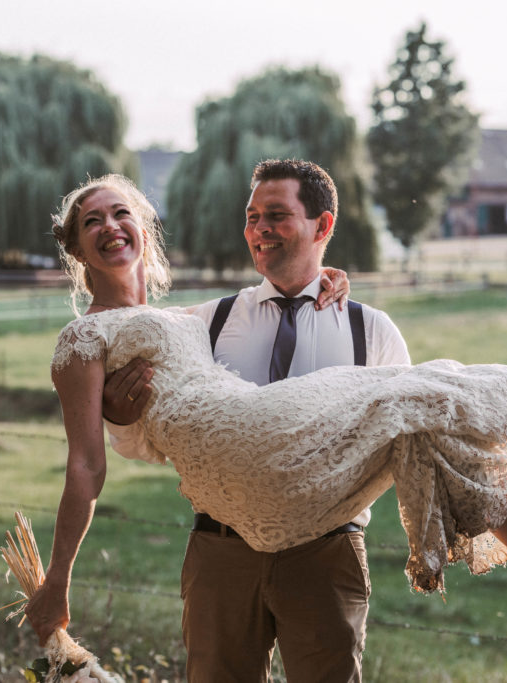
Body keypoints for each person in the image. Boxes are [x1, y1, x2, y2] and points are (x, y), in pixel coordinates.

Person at [25, 172, 507, 666]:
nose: (110, 226)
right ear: (77, 250)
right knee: (429, 391)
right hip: (239, 482)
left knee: (429, 408)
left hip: (320, 526)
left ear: (145, 228)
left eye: (121, 213)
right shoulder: (129, 331)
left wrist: (326, 285)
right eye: (93, 221)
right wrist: (59, 576)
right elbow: (97, 458)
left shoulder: (192, 318)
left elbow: (166, 391)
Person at [101, 159, 409, 681]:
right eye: (251, 216)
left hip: (327, 553)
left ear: (323, 225)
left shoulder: (371, 332)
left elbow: (400, 442)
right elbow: (146, 444)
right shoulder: (205, 324)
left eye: (276, 214)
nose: (259, 229)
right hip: (220, 553)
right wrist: (122, 418)